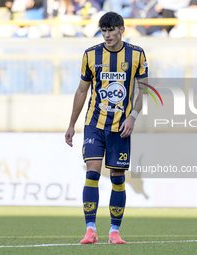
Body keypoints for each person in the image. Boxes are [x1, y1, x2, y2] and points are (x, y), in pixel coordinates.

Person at [65, 11, 148, 244]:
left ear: (122, 29)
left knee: (117, 177)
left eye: (111, 29)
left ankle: (114, 232)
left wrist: (132, 117)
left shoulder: (137, 55)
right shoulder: (91, 55)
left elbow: (144, 90)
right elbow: (82, 91)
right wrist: (71, 124)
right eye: (103, 30)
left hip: (120, 127)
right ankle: (90, 229)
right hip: (94, 123)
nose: (107, 34)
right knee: (92, 172)